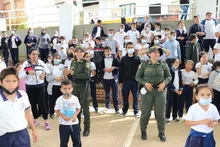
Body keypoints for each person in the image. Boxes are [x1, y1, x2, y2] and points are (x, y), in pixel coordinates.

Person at [135, 46, 171, 142]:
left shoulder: (163, 64)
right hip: (147, 91)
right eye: (154, 52)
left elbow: (169, 76)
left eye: (158, 53)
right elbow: (137, 77)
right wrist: (145, 83)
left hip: (160, 91)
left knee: (160, 113)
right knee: (146, 112)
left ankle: (161, 132)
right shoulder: (144, 64)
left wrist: (164, 83)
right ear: (149, 54)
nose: (157, 54)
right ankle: (143, 131)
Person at [0, 67, 38, 147]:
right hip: (3, 136)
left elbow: (27, 112)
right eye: (7, 81)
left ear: (18, 82)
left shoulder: (23, 95)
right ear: (1, 82)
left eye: (14, 81)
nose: (11, 84)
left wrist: (34, 129)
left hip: (22, 134)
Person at [19, 49, 51, 130]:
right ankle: (36, 120)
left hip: (40, 86)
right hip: (30, 87)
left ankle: (46, 121)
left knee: (42, 104)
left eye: (36, 54)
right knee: (32, 104)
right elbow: (20, 76)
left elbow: (48, 71)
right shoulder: (26, 64)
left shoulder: (41, 62)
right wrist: (27, 72)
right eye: (33, 54)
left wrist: (44, 73)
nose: (35, 56)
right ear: (29, 55)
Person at [68, 47, 91, 136]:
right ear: (75, 53)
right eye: (77, 52)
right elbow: (70, 74)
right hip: (74, 86)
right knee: (75, 107)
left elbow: (86, 75)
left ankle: (87, 128)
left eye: (81, 52)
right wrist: (72, 74)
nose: (79, 54)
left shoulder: (86, 63)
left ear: (83, 54)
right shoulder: (73, 63)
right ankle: (77, 126)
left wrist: (74, 73)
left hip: (83, 86)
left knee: (85, 108)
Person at [55, 80, 82, 147]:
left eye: (69, 88)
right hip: (63, 124)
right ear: (61, 89)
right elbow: (56, 110)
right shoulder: (59, 99)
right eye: (65, 88)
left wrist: (75, 116)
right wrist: (63, 116)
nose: (67, 90)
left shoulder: (75, 99)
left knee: (77, 141)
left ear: (72, 89)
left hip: (74, 124)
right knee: (63, 142)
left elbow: (78, 108)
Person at [119, 42, 141, 117]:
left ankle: (136, 111)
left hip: (135, 81)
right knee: (125, 97)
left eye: (131, 47)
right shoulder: (123, 59)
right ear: (126, 49)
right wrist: (120, 82)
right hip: (125, 81)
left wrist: (139, 80)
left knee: (135, 97)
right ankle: (124, 110)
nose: (130, 49)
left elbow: (140, 71)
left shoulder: (137, 58)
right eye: (129, 47)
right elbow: (121, 71)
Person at [99, 46, 120, 114]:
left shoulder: (115, 58)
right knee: (107, 94)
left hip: (113, 79)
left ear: (110, 51)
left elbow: (119, 67)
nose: (107, 52)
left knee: (115, 95)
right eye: (105, 51)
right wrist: (104, 69)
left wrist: (113, 68)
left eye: (108, 51)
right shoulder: (102, 59)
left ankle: (117, 109)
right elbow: (100, 68)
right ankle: (107, 107)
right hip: (105, 79)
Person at [166, 58, 183, 124]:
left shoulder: (179, 71)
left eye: (178, 62)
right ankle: (167, 117)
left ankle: (175, 116)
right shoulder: (169, 71)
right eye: (176, 62)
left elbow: (180, 81)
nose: (177, 64)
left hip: (178, 90)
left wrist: (180, 89)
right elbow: (169, 82)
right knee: (169, 103)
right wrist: (175, 89)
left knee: (176, 103)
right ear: (172, 63)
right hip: (171, 90)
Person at [47, 53, 64, 118]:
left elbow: (64, 74)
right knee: (52, 100)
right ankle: (52, 112)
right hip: (53, 85)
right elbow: (48, 78)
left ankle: (61, 113)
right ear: (53, 59)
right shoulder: (50, 67)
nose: (57, 59)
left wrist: (61, 78)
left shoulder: (62, 66)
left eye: (59, 58)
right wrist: (54, 78)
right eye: (56, 58)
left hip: (60, 85)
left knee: (61, 100)